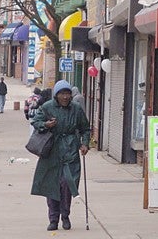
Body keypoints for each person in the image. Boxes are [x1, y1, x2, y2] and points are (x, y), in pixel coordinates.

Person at [30, 80, 90, 231]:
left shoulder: (76, 109)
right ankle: (53, 218)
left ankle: (65, 215)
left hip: (70, 150)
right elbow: (36, 121)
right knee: (52, 185)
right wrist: (46, 125)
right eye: (62, 94)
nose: (65, 97)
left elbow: (85, 129)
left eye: (67, 93)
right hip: (52, 151)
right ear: (56, 95)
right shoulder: (47, 107)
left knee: (67, 185)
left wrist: (84, 144)